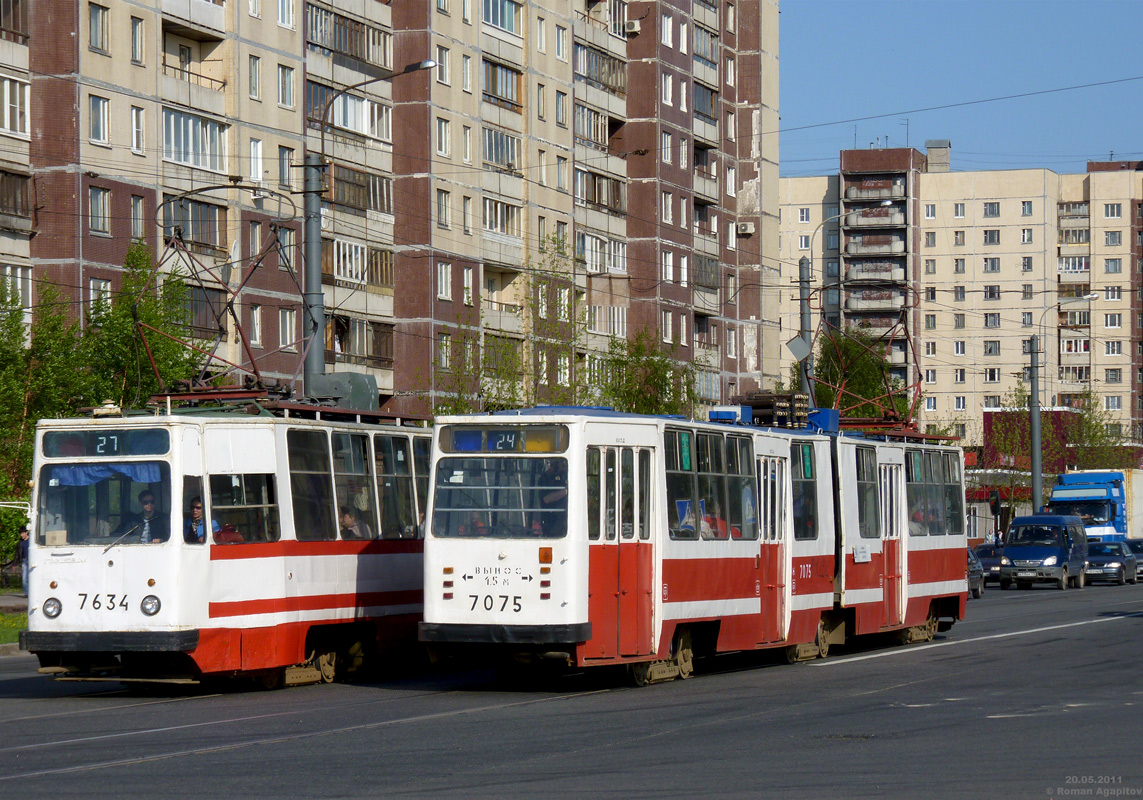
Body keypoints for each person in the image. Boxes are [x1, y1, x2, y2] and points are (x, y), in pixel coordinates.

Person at [539, 460, 568, 536]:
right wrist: (566, 491)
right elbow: (546, 499)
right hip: (551, 519)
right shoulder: (545, 478)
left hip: (564, 517)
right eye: (561, 464)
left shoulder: (564, 477)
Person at [17, 525, 29, 596]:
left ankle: (32, 592)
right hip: (24, 560)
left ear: (26, 532)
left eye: (22, 533)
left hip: (31, 560)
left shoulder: (31, 541)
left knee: (31, 578)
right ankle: (26, 593)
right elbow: (17, 554)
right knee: (24, 578)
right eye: (20, 533)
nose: (21, 535)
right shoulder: (20, 542)